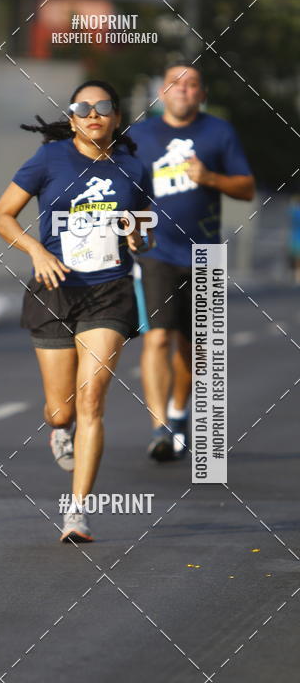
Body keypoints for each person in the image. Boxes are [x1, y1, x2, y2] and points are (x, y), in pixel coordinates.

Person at [0, 80, 153, 543]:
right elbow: (1, 215)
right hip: (54, 289)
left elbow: (144, 229)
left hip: (110, 291)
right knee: (61, 410)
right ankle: (58, 430)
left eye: (104, 106)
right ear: (73, 117)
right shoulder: (49, 159)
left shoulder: (134, 168)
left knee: (92, 398)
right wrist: (36, 252)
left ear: (116, 117)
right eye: (84, 106)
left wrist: (140, 237)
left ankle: (77, 511)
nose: (93, 113)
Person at [129, 62, 255, 461]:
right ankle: (160, 429)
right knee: (158, 336)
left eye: (192, 85)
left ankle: (179, 412)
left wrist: (211, 178)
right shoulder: (140, 134)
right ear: (161, 92)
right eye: (175, 84)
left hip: (206, 252)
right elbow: (123, 189)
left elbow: (247, 188)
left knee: (193, 346)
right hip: (155, 252)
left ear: (201, 94)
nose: (183, 90)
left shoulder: (218, 132)